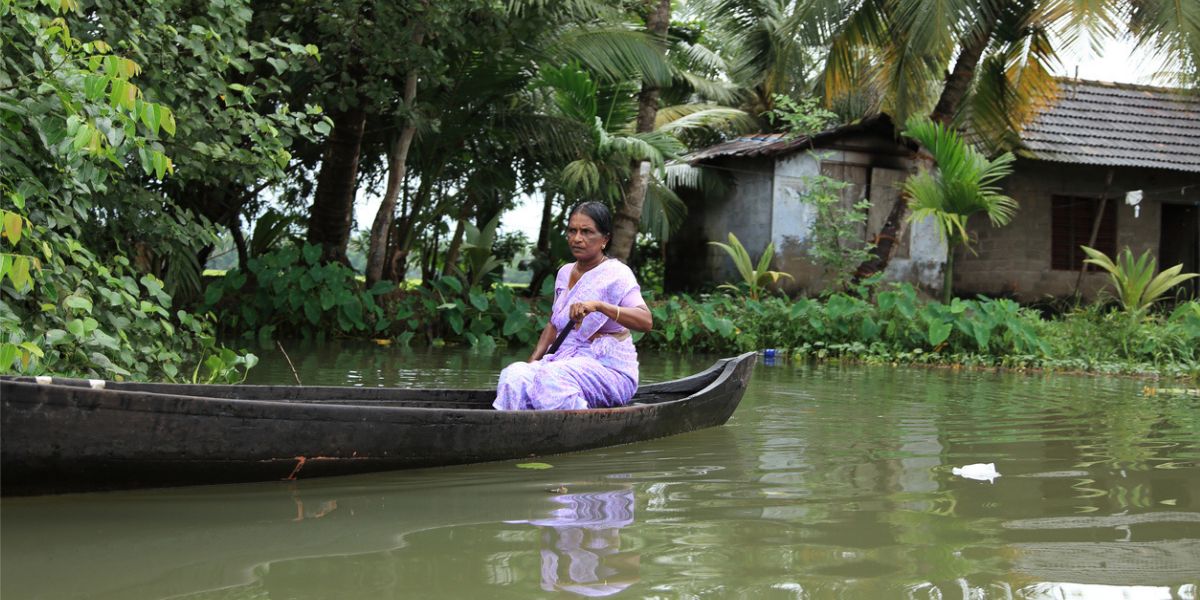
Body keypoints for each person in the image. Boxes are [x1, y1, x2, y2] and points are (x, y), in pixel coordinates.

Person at [493, 201, 652, 410]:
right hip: (563, 360)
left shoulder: (617, 274)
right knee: (515, 375)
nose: (577, 238)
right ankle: (517, 431)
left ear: (604, 239)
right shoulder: (564, 272)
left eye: (586, 232)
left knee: (552, 379)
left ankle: (576, 429)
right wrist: (533, 362)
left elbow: (646, 321)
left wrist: (599, 306)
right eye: (572, 231)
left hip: (609, 370)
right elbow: (553, 324)